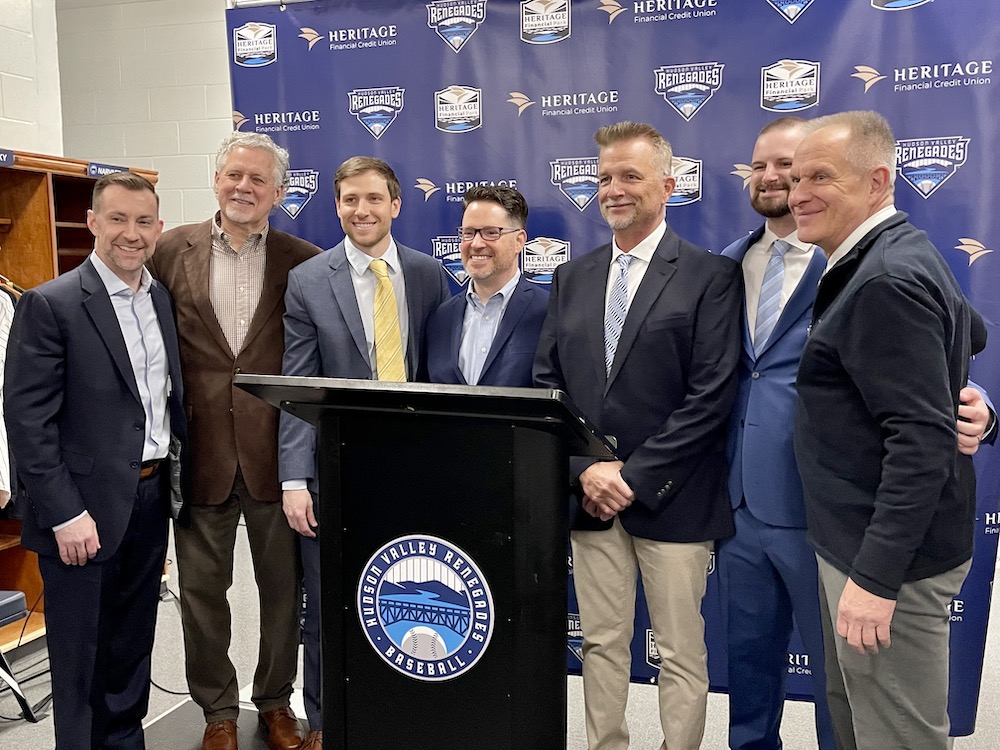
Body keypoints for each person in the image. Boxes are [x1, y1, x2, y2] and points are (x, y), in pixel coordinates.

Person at [533, 121, 742, 750]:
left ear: (668, 186)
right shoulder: (572, 276)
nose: (613, 190)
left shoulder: (709, 276)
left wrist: (633, 475)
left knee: (680, 650)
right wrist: (585, 472)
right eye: (604, 179)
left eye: (630, 176)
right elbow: (550, 388)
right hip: (590, 500)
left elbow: (712, 397)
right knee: (601, 644)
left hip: (673, 498)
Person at [790, 110, 986, 750]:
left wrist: (874, 581)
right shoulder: (889, 252)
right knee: (859, 721)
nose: (799, 194)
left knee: (898, 737)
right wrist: (964, 389)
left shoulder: (884, 278)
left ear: (877, 182)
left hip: (887, 563)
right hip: (858, 542)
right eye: (795, 178)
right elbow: (968, 328)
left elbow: (921, 444)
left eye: (822, 176)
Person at [148, 132, 320, 750]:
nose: (243, 188)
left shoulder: (305, 259)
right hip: (200, 453)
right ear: (216, 181)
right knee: (201, 594)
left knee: (282, 593)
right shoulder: (169, 250)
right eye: (233, 177)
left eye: (257, 180)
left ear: (279, 191)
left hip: (279, 456)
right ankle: (217, 710)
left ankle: (276, 701)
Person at [5, 172, 188, 749]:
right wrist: (63, 513)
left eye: (143, 222)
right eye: (117, 219)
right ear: (92, 222)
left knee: (133, 644)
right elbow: (28, 425)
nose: (130, 234)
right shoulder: (50, 304)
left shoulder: (159, 297)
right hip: (81, 511)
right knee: (82, 656)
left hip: (151, 496)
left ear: (158, 228)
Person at [279, 156, 450, 750]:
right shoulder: (308, 280)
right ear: (337, 205)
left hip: (415, 469)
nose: (362, 211)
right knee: (327, 606)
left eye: (374, 199)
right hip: (337, 470)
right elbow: (299, 386)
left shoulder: (430, 275)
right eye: (350, 199)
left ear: (396, 205)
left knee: (406, 598)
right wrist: (293, 479)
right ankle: (326, 720)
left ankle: (402, 709)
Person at [718, 117, 836, 750]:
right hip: (738, 507)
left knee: (838, 678)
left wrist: (975, 399)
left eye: (786, 164)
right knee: (749, 667)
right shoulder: (727, 265)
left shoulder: (851, 262)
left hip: (818, 507)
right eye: (758, 165)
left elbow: (936, 344)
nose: (770, 177)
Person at [424, 185, 548, 387]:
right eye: (468, 233)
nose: (476, 244)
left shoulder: (548, 314)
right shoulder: (440, 319)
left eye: (491, 233)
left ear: (519, 241)